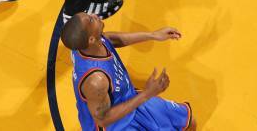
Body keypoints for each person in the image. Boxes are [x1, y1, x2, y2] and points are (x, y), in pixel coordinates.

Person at [61, 13, 196, 130]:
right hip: (116, 125)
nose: (95, 16)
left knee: (188, 121)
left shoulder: (87, 44)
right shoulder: (96, 81)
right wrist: (147, 94)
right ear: (91, 39)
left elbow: (110, 39)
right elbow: (102, 119)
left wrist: (153, 35)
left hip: (129, 99)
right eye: (91, 20)